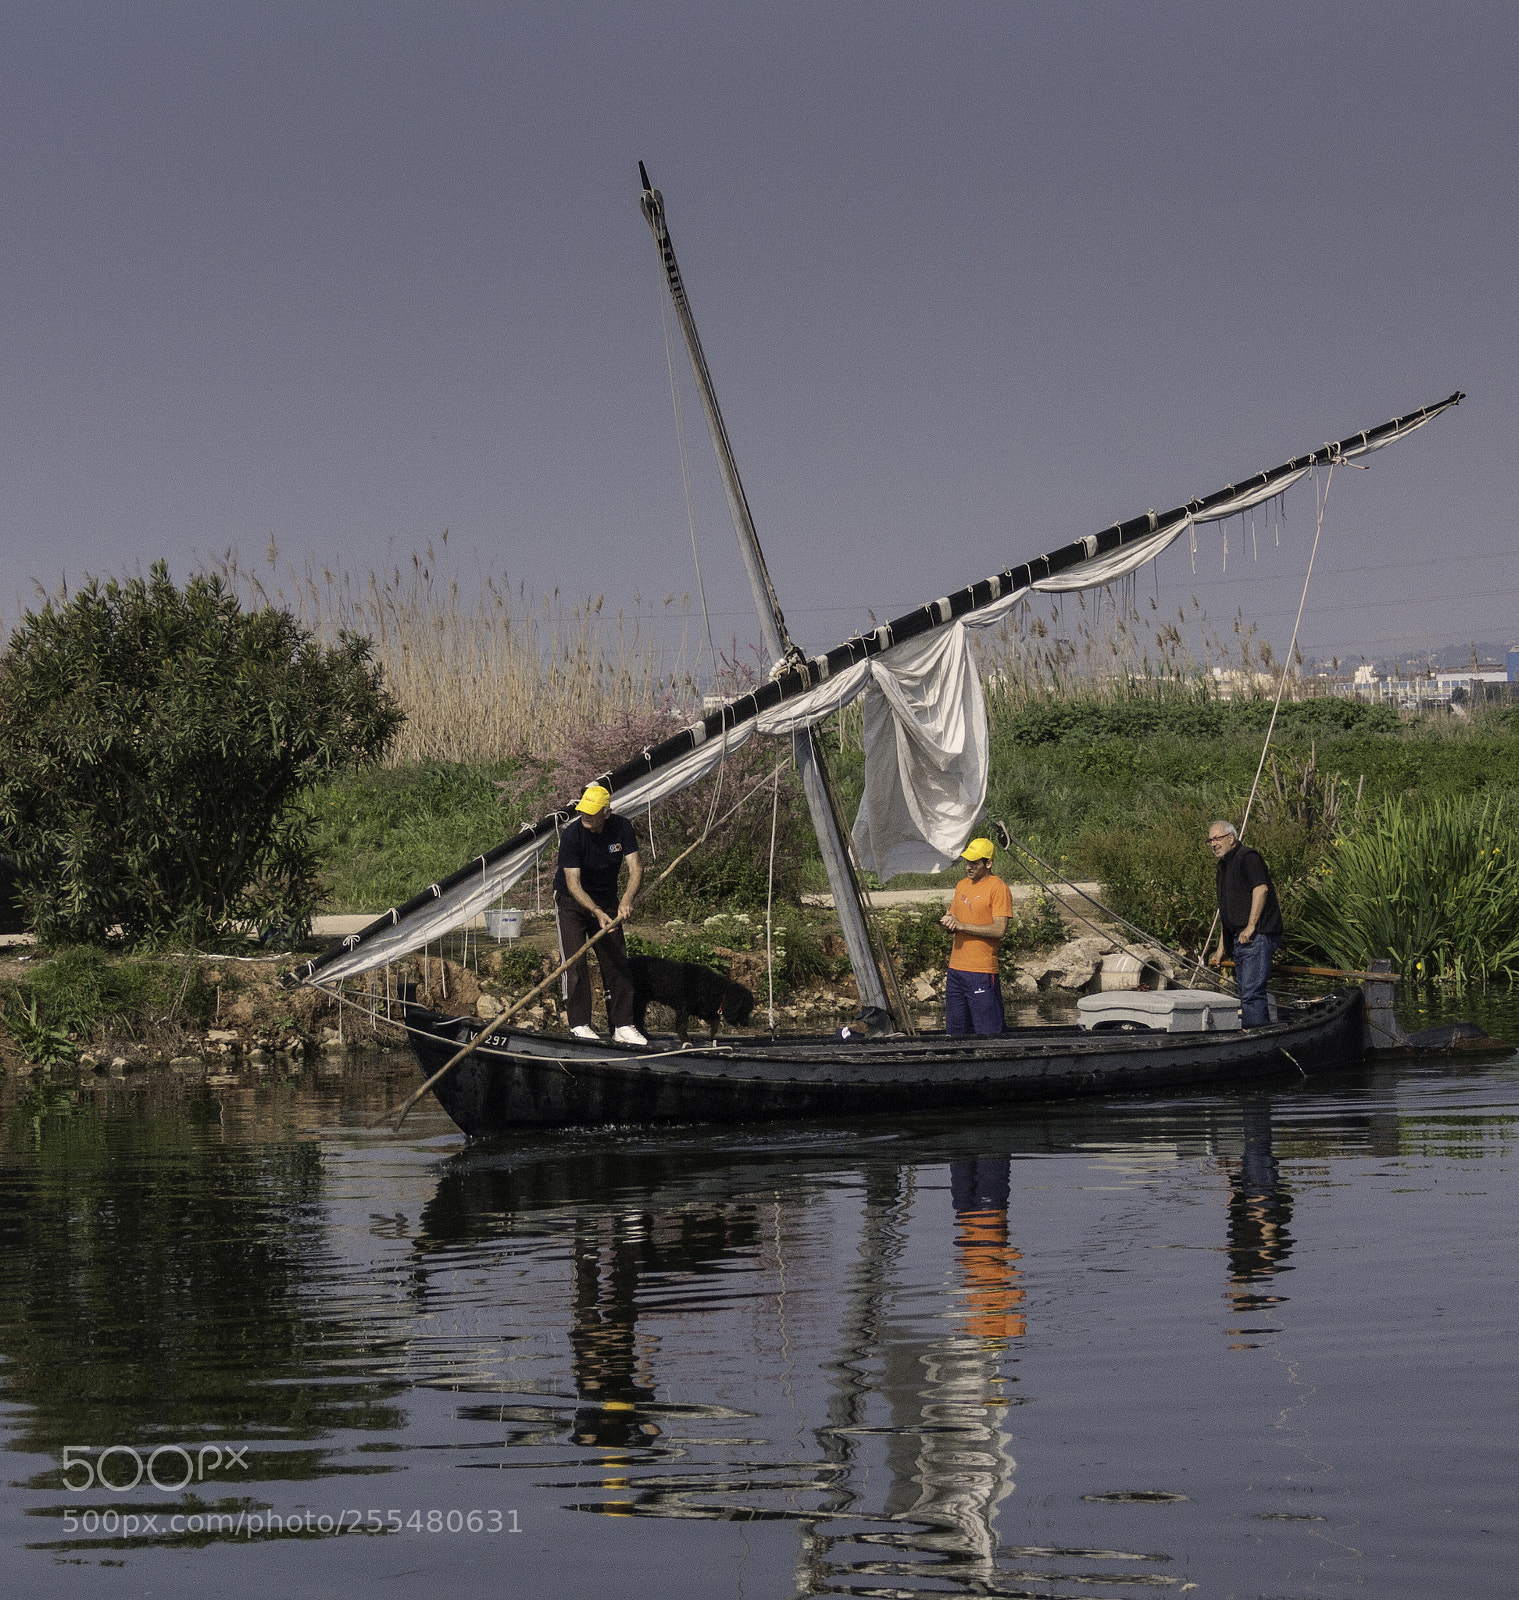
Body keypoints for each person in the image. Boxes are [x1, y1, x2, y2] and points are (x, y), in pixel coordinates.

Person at [553, 783, 646, 1046]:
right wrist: (595, 912)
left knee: (617, 960)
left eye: (592, 812)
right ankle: (579, 1024)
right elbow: (572, 882)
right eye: (583, 810)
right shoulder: (572, 835)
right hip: (573, 901)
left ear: (606, 812)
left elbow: (636, 868)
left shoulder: (622, 828)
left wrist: (625, 901)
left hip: (607, 901)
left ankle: (623, 1025)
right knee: (576, 961)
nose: (586, 816)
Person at [1207, 820, 1282, 1028]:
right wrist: (1221, 949)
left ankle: (1257, 1038)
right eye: (1210, 840)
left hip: (1257, 936)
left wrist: (1250, 927)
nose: (1213, 844)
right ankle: (1253, 1031)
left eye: (1217, 838)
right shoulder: (1223, 866)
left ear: (1231, 838)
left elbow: (1261, 889)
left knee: (1251, 993)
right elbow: (1227, 911)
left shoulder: (1248, 857)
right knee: (1245, 993)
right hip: (1238, 938)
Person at [939, 837, 1014, 1035]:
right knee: (956, 1032)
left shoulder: (998, 888)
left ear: (988, 863)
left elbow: (999, 930)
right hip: (956, 970)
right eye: (967, 862)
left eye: (974, 863)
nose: (968, 867)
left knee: (988, 1031)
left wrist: (962, 925)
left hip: (981, 972)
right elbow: (954, 919)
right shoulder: (962, 885)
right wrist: (949, 924)